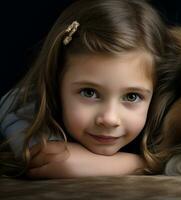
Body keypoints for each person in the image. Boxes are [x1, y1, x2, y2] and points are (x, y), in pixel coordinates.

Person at [0, 0, 166, 178]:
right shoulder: (23, 104)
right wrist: (147, 163)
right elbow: (57, 162)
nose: (109, 119)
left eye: (132, 96)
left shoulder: (165, 111)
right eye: (89, 92)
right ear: (56, 82)